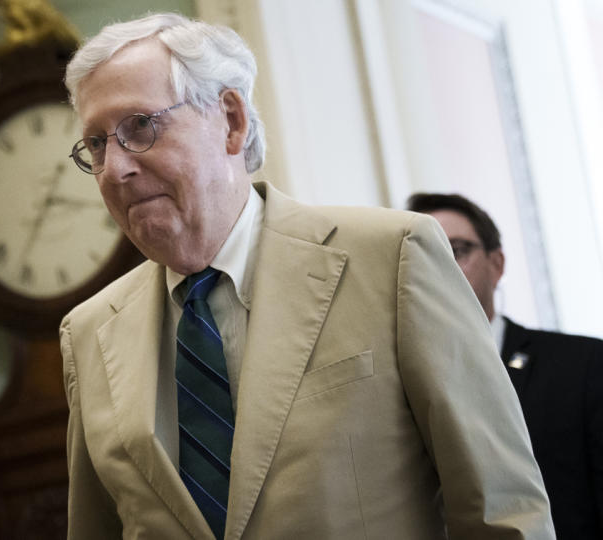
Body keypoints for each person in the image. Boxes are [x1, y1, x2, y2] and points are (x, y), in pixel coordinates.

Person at [58, 12, 553, 539]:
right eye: (96, 144)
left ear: (230, 119)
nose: (113, 168)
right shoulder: (88, 334)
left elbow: (503, 513)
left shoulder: (393, 260)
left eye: (139, 127)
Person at [409, 192, 603, 539]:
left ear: (497, 265)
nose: (442, 268)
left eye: (457, 251)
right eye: (423, 256)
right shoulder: (395, 390)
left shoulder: (583, 365)